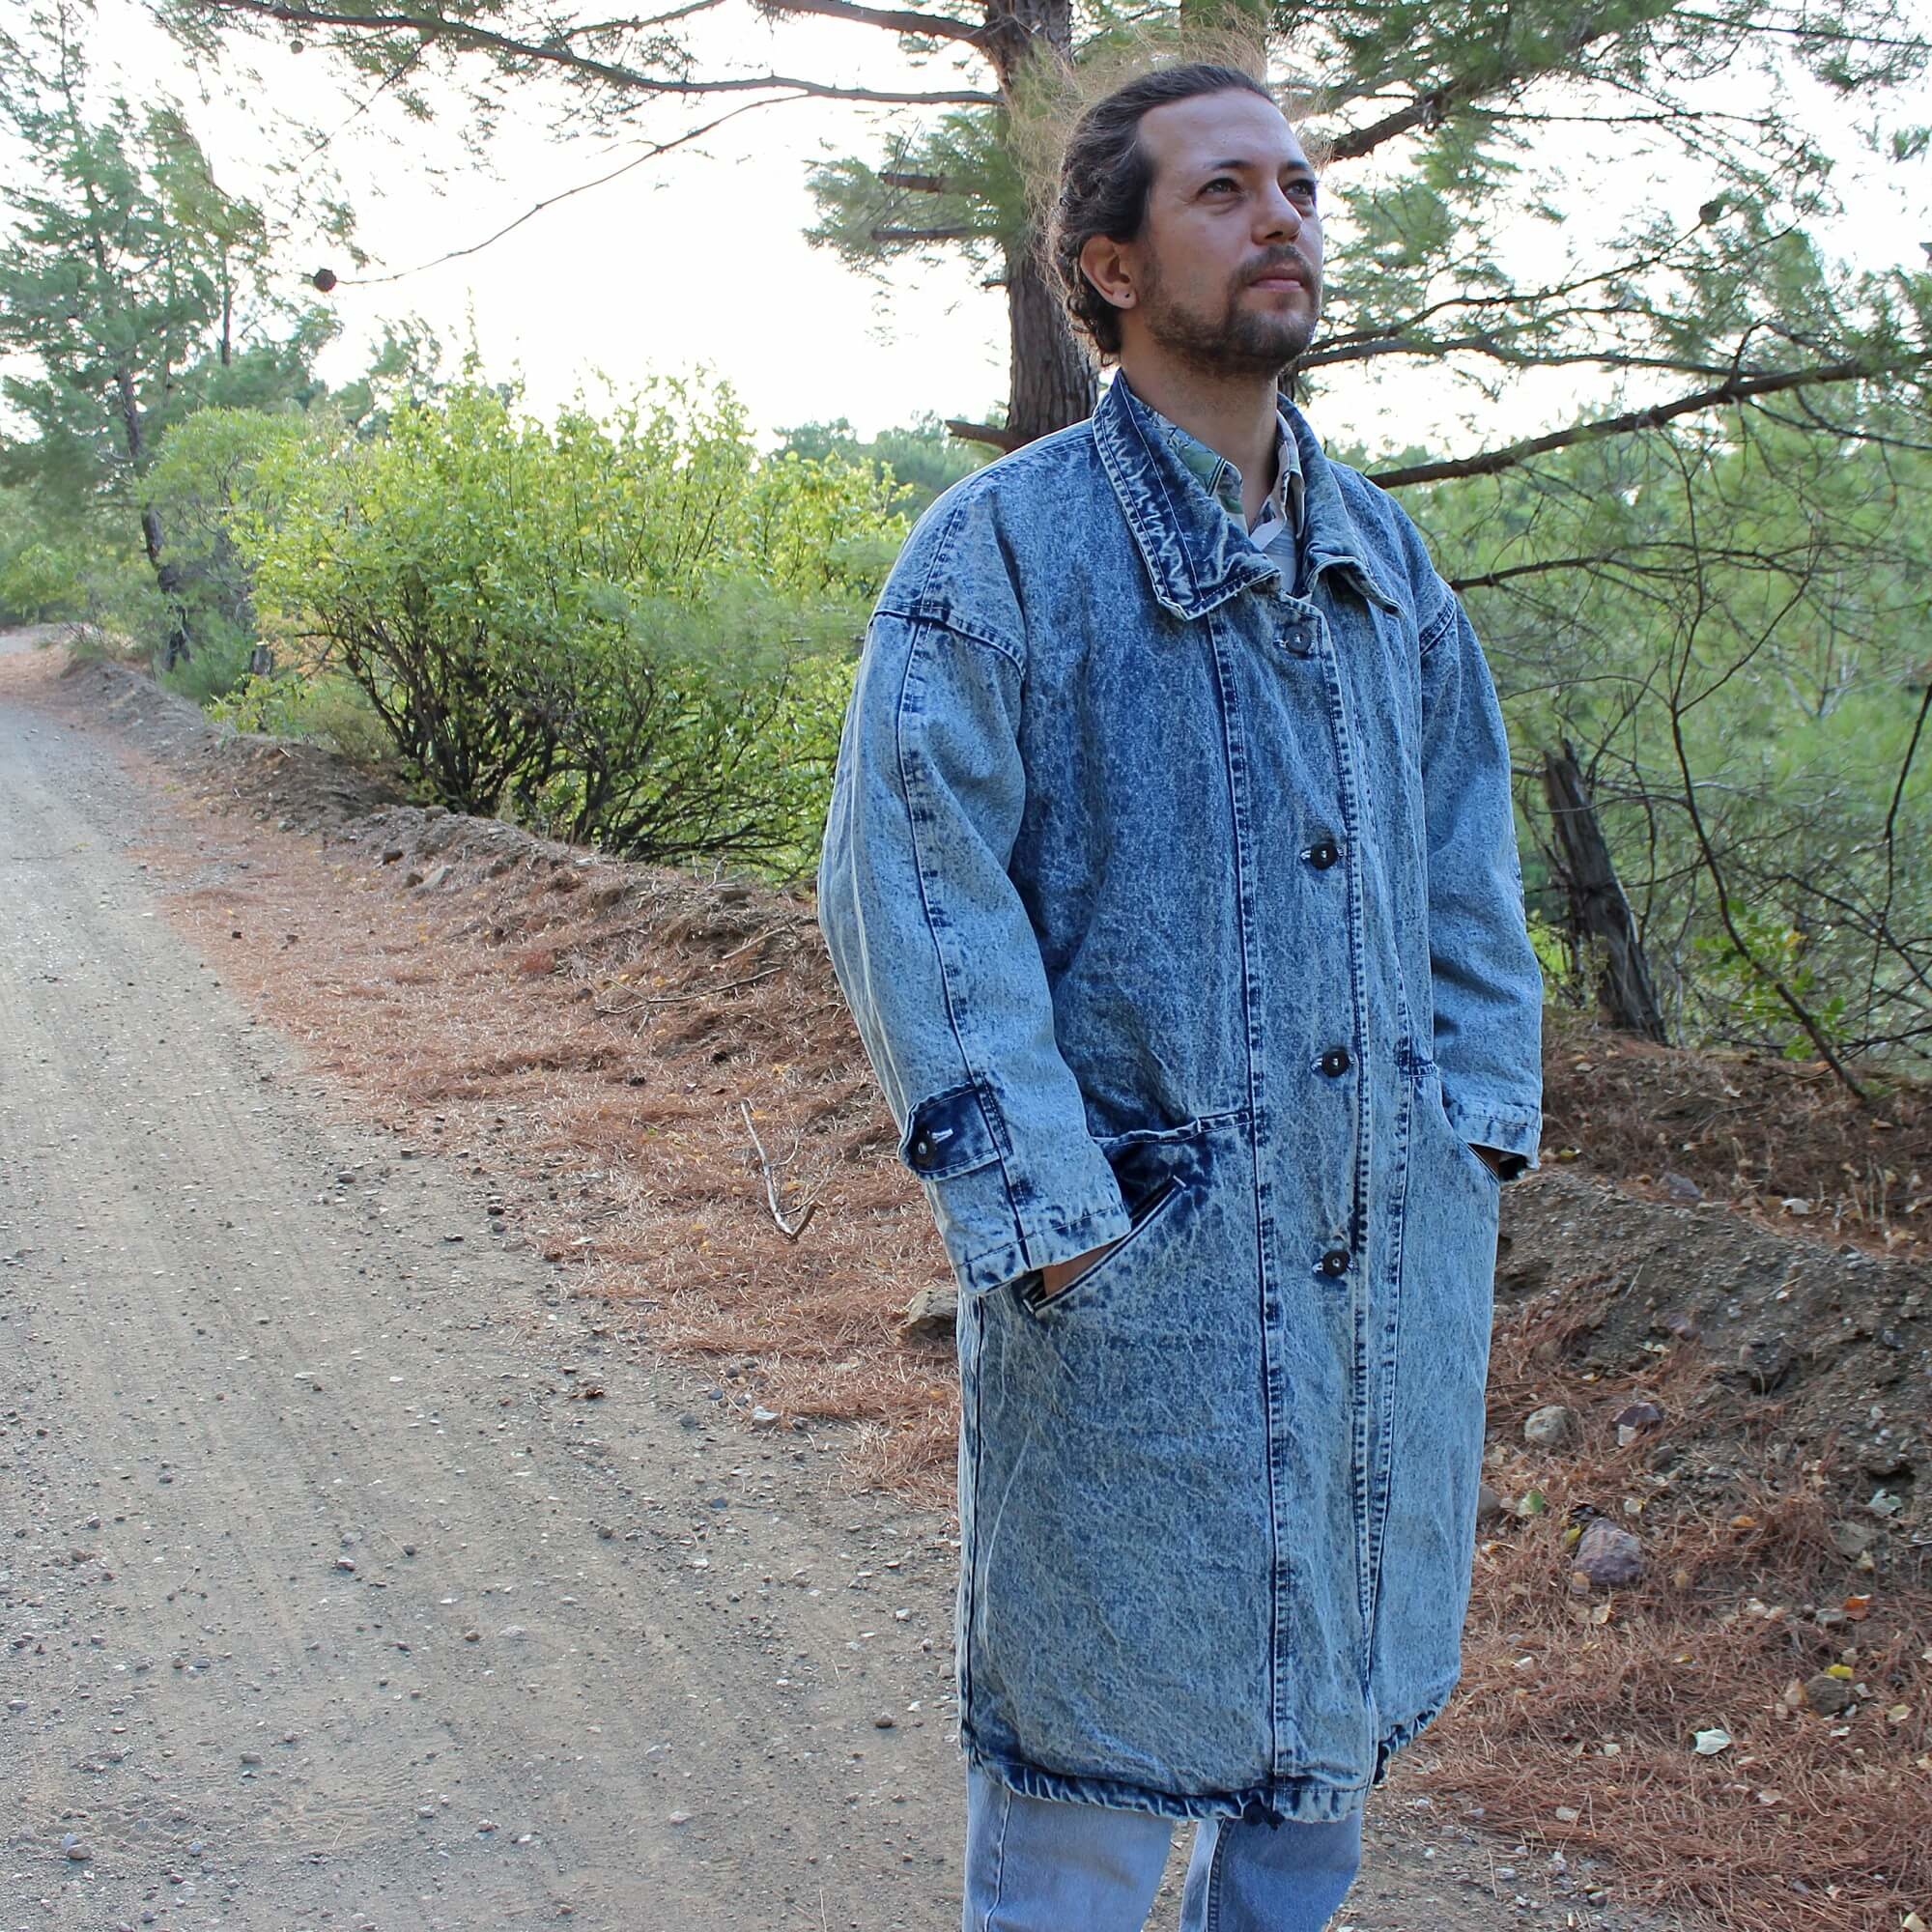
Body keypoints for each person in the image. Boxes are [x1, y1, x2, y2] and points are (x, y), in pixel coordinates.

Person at [816, 58, 1544, 1932]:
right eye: (1225, 190)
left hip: (1379, 1254)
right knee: (1086, 1787)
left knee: (1318, 1774)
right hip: (1138, 1269)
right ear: (1113, 264)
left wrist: (1468, 1139)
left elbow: (1470, 874)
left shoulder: (1383, 562)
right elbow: (915, 892)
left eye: (1297, 184)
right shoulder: (999, 555)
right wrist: (1058, 1228)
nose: (1282, 214)